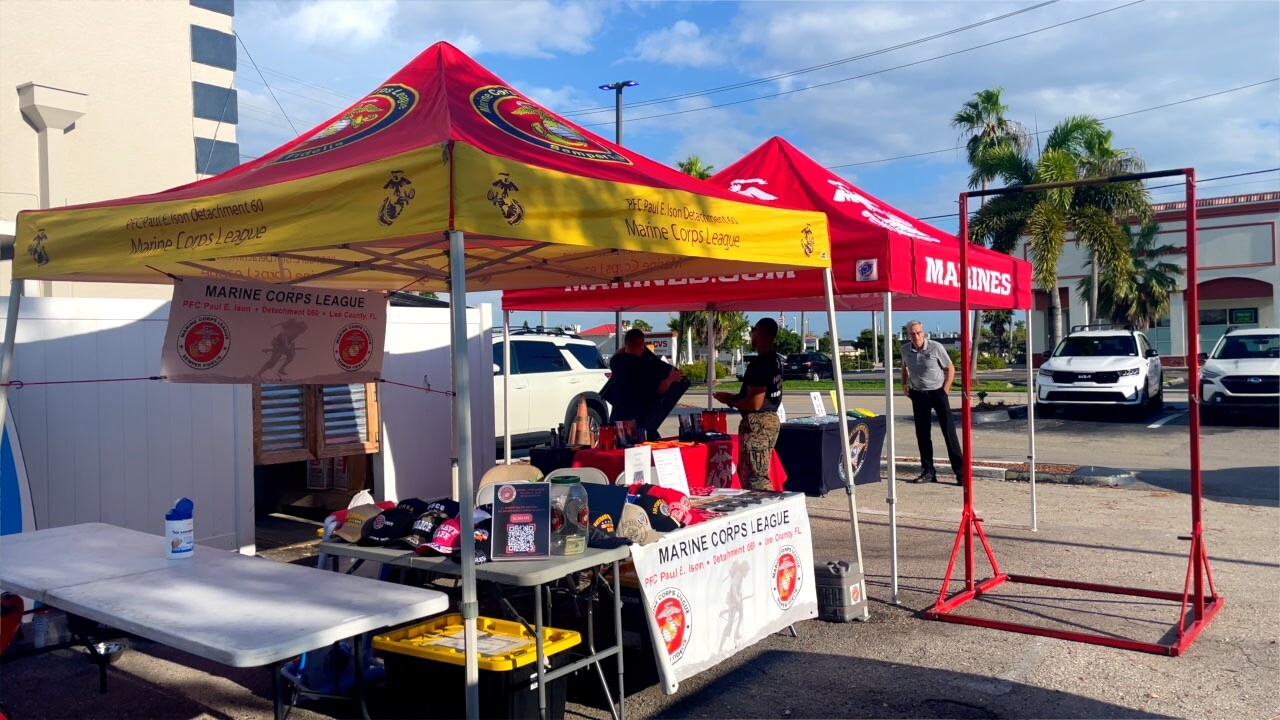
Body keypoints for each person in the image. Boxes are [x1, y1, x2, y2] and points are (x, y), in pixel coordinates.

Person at [714, 318, 783, 491]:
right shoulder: (775, 359)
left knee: (755, 477)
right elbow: (758, 395)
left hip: (757, 423)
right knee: (754, 472)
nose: (751, 335)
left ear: (759, 331)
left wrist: (730, 401)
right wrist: (736, 397)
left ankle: (762, 509)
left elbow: (755, 403)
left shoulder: (760, 363)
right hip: (769, 420)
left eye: (753, 330)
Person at [900, 320, 963, 484]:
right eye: (912, 333)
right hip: (918, 395)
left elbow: (950, 368)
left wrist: (945, 390)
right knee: (922, 434)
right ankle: (928, 471)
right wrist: (904, 384)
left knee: (949, 433)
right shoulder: (905, 349)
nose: (916, 336)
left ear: (923, 332)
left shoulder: (936, 347)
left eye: (918, 332)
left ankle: (960, 472)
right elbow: (904, 366)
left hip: (937, 393)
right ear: (908, 335)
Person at [607, 329, 684, 441]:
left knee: (620, 451)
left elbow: (618, 352)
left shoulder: (616, 361)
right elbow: (660, 388)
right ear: (641, 346)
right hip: (637, 422)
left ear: (626, 344)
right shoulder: (643, 366)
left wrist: (632, 345)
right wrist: (672, 378)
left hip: (618, 417)